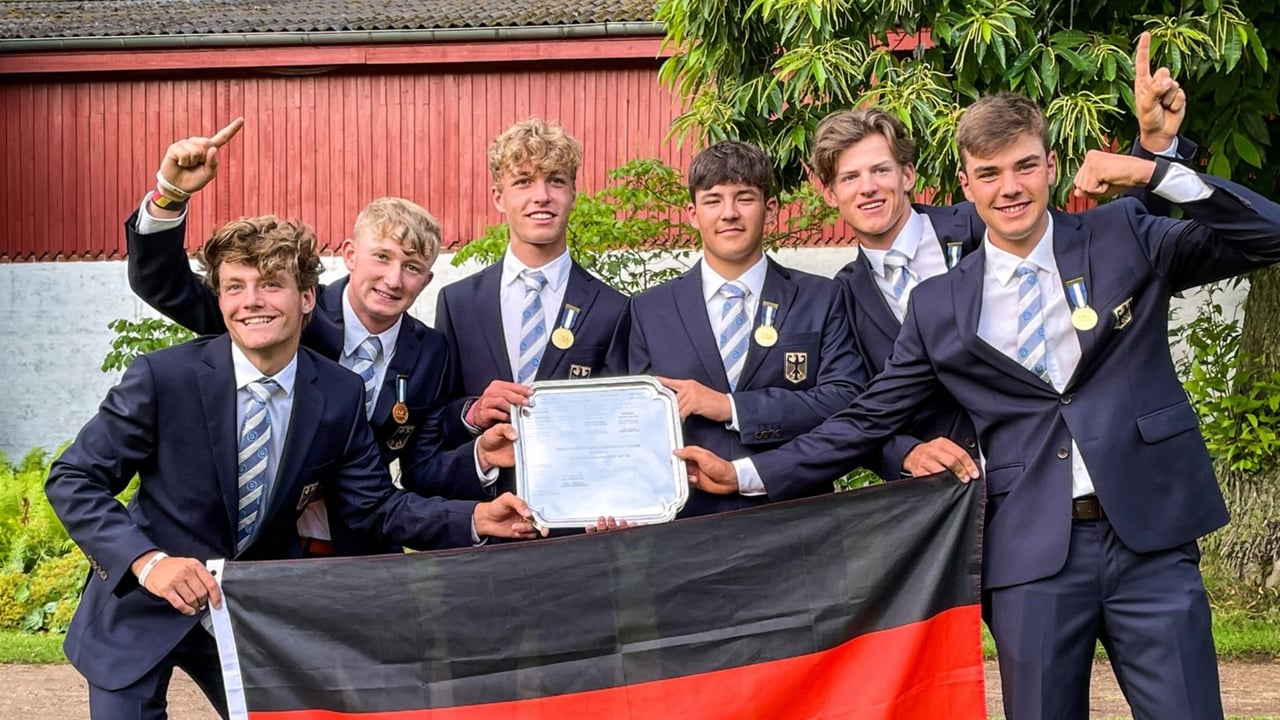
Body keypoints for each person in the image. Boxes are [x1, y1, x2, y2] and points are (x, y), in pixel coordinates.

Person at [677, 89, 1280, 719]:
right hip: (1028, 551)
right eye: (989, 173)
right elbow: (866, 415)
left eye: (1025, 167)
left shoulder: (1116, 233)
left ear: (1051, 167)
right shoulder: (937, 304)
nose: (1009, 187)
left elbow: (1262, 235)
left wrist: (1153, 166)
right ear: (967, 185)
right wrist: (747, 473)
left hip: (1151, 536)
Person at [47, 215, 543, 719]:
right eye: (234, 286)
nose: (251, 301)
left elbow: (373, 507)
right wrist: (148, 562)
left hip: (250, 614)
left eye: (270, 284)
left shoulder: (339, 395)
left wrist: (476, 518)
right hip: (141, 604)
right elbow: (74, 478)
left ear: (307, 297)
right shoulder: (162, 377)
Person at [812, 31, 1196, 482]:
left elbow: (1114, 251)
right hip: (956, 493)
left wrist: (1153, 152)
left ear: (908, 175)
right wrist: (904, 452)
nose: (869, 188)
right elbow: (856, 407)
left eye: (880, 170)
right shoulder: (839, 297)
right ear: (830, 193)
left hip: (1059, 466)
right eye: (850, 177)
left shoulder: (990, 218)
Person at [126, 120, 508, 556]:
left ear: (427, 279)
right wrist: (170, 195)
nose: (392, 279)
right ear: (350, 255)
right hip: (255, 543)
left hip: (359, 543)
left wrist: (475, 468)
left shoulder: (430, 353)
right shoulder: (282, 308)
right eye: (381, 257)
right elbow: (165, 285)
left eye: (411, 267)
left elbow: (419, 463)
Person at [622, 140, 867, 517]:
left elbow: (844, 401)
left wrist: (730, 407)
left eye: (745, 198)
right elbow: (631, 423)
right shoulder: (648, 310)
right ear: (692, 214)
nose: (729, 213)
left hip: (799, 519)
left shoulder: (822, 298)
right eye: (713, 200)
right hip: (687, 525)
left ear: (771, 209)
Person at [433, 116, 629, 497]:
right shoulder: (458, 304)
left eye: (555, 180)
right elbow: (436, 422)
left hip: (577, 514)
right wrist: (473, 413)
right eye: (523, 181)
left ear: (573, 194)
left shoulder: (614, 309)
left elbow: (621, 426)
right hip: (484, 512)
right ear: (498, 197)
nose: (542, 195)